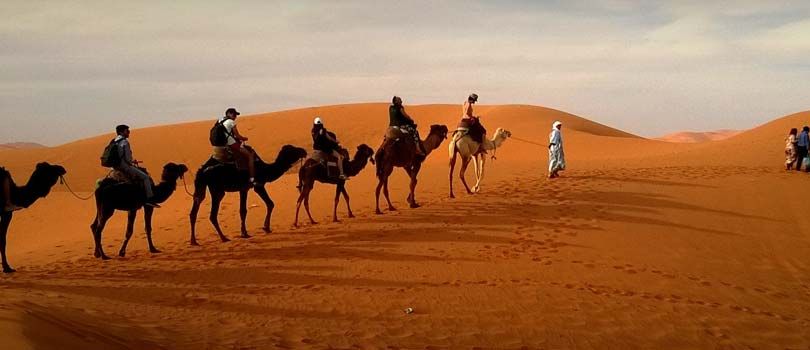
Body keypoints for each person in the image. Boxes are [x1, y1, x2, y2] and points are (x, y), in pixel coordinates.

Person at [112, 125, 159, 207]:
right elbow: (128, 159)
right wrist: (132, 161)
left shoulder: (114, 141)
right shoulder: (124, 142)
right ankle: (149, 199)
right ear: (121, 132)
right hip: (124, 166)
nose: (128, 132)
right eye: (127, 131)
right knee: (146, 177)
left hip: (116, 167)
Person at [219, 108, 256, 185]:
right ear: (229, 114)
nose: (235, 116)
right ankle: (252, 178)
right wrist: (244, 138)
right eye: (234, 114)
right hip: (231, 144)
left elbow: (227, 134)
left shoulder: (220, 121)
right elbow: (237, 135)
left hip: (222, 144)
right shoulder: (231, 122)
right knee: (250, 155)